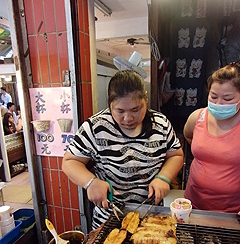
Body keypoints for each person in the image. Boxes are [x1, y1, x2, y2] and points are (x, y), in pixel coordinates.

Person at [62, 70, 184, 229]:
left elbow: (176, 155)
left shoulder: (160, 124)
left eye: (135, 109)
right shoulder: (95, 127)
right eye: (119, 111)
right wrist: (90, 182)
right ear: (110, 104)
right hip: (109, 217)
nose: (128, 118)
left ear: (145, 98)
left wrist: (164, 177)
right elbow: (69, 161)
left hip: (151, 215)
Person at [184, 62, 240, 214]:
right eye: (213, 96)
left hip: (232, 211)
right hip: (193, 203)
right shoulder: (197, 117)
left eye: (227, 99)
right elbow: (189, 137)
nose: (219, 103)